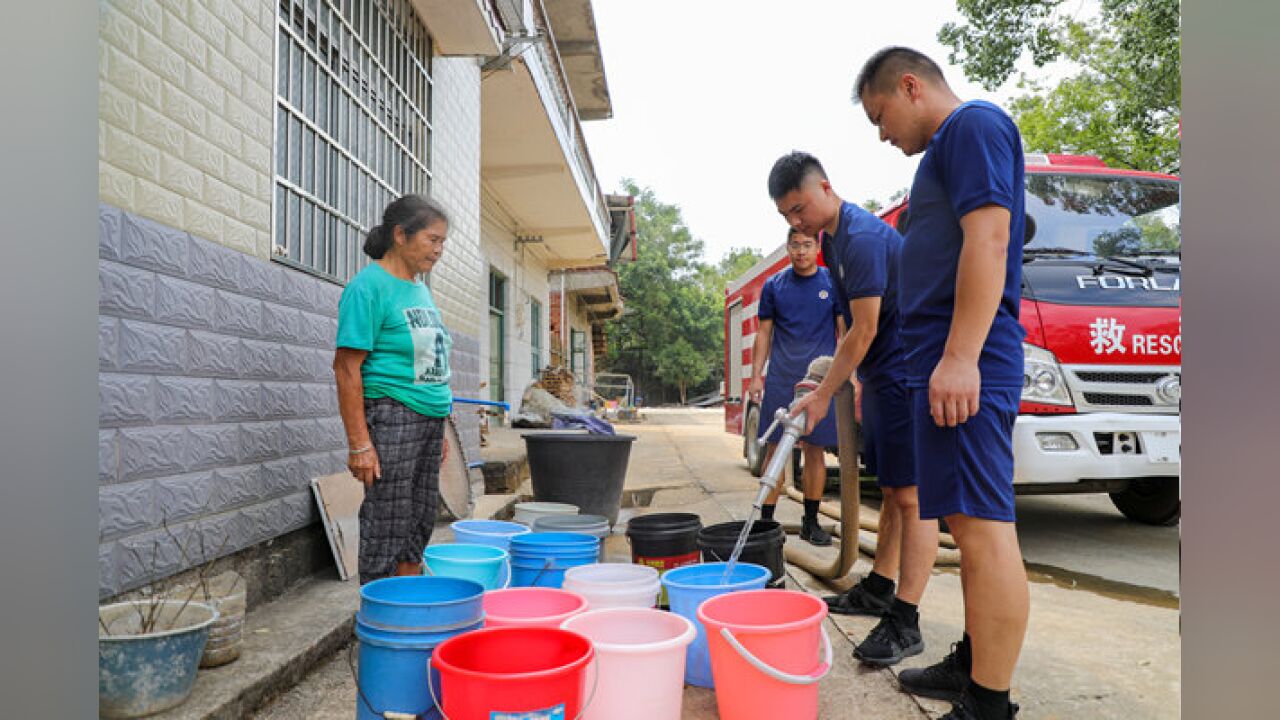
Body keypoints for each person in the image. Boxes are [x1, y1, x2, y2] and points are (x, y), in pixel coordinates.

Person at [852, 47, 1030, 720]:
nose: (881, 133)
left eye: (881, 116)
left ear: (910, 86)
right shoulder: (946, 152)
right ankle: (975, 659)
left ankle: (988, 702)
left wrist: (960, 358)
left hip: (967, 360)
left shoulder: (974, 127)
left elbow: (989, 240)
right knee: (961, 517)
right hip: (940, 360)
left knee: (983, 527)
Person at [769, 151, 936, 669]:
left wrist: (823, 394)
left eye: (799, 209)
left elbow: (862, 330)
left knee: (912, 499)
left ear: (824, 186)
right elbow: (855, 331)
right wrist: (830, 377)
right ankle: (881, 586)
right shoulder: (831, 239)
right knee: (890, 491)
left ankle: (905, 621)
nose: (796, 223)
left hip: (909, 368)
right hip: (884, 373)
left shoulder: (861, 238)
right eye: (786, 217)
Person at [333, 195, 454, 585]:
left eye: (442, 243)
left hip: (430, 420)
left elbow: (429, 361)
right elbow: (347, 369)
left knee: (418, 522)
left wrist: (442, 424)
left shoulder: (419, 288)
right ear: (400, 235)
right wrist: (359, 444)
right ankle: (381, 624)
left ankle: (409, 614)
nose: (438, 251)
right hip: (392, 416)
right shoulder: (368, 287)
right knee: (387, 523)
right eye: (432, 240)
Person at [748, 227, 841, 546]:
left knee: (815, 452)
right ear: (786, 248)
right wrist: (756, 375)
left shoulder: (831, 283)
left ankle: (810, 522)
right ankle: (766, 525)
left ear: (817, 247)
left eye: (806, 244)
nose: (800, 251)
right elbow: (764, 334)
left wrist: (848, 374)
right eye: (794, 245)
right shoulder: (774, 285)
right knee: (775, 449)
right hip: (782, 378)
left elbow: (844, 332)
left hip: (819, 380)